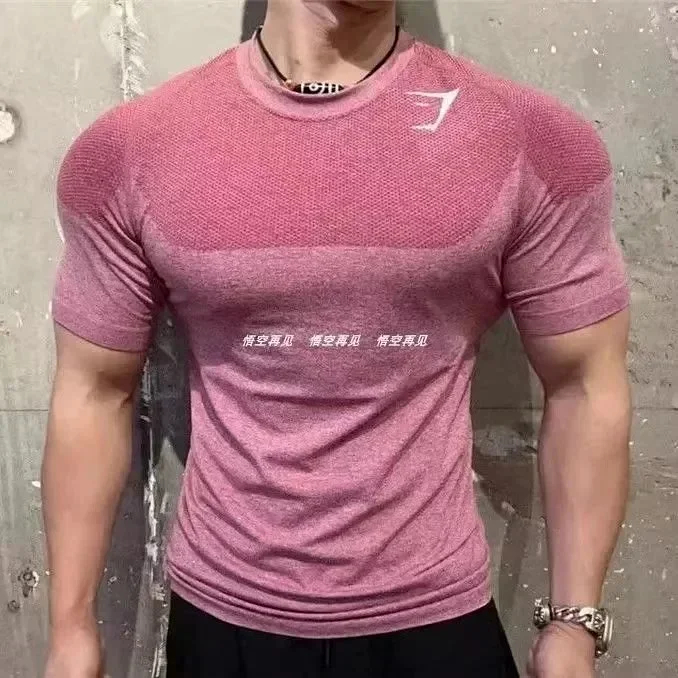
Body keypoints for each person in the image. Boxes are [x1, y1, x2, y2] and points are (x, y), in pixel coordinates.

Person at [42, 1, 632, 677]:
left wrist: (575, 624)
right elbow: (94, 388)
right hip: (224, 623)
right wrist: (69, 631)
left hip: (436, 621)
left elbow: (585, 382)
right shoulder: (132, 150)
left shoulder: (531, 143)